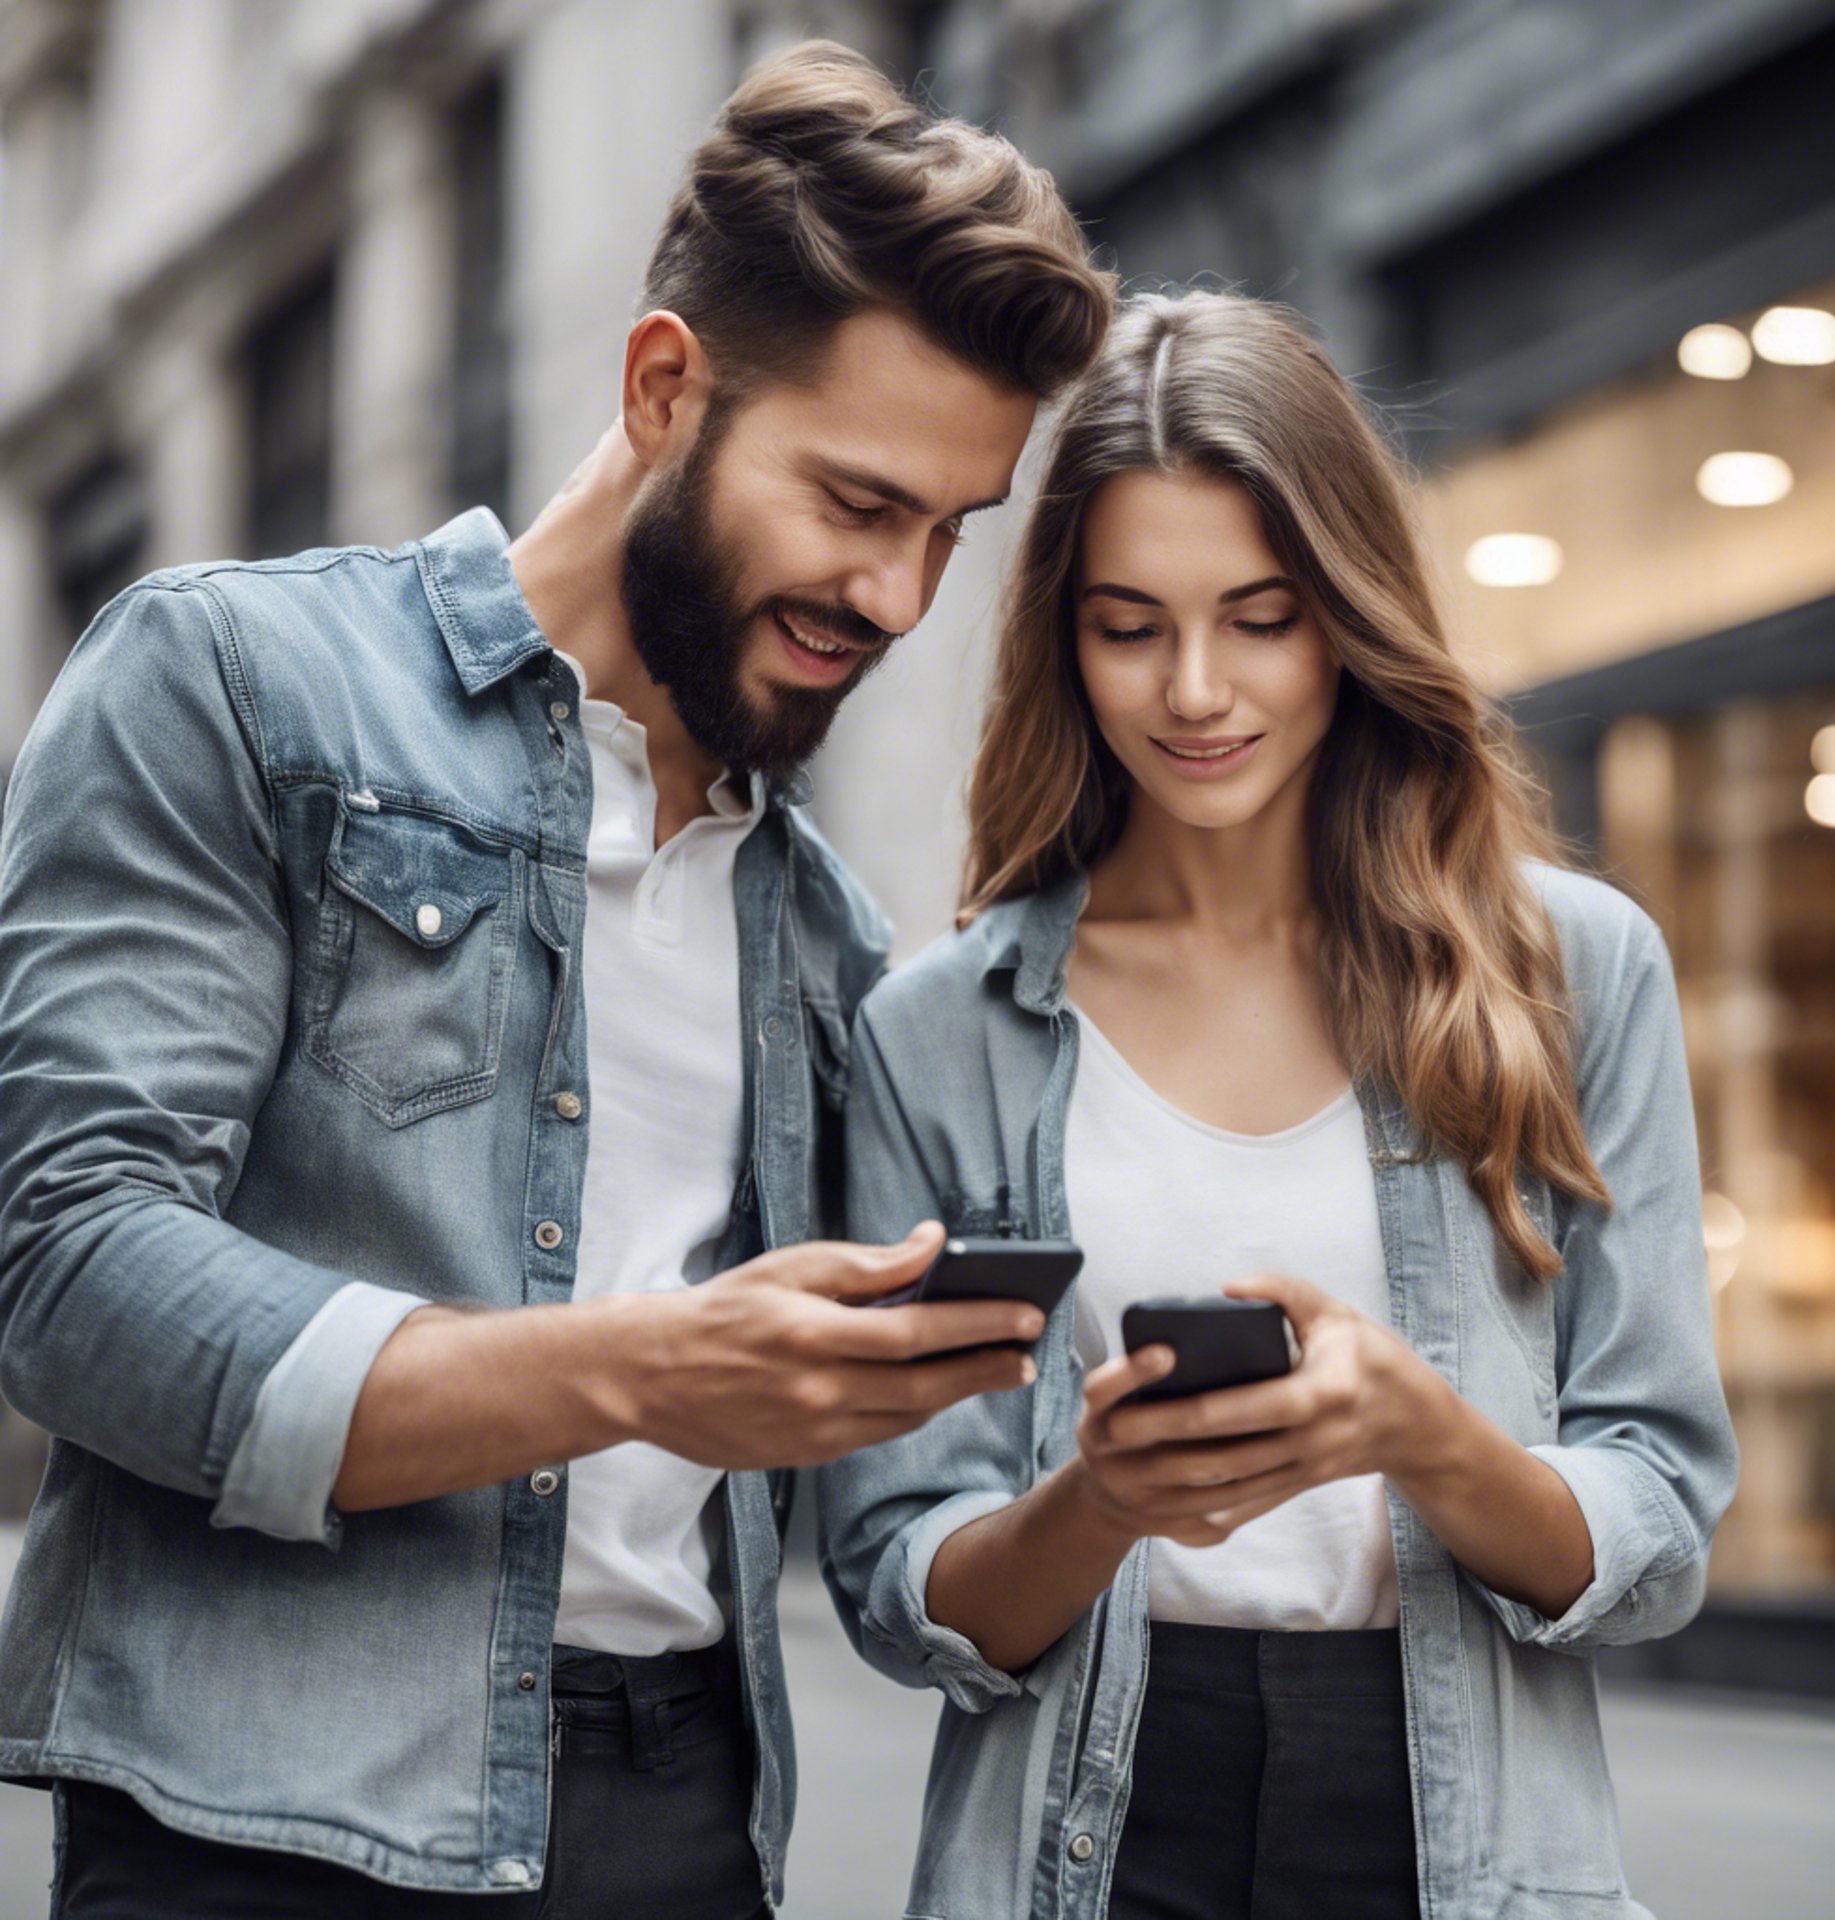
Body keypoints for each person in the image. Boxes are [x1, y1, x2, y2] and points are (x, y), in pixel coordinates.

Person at [0, 43, 1112, 1919]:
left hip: (682, 1820)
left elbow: (895, 1510)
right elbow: (71, 1273)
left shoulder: (822, 930)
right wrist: (652, 1367)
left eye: (949, 531)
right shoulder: (238, 684)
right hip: (266, 1827)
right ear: (665, 387)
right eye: (855, 502)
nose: (902, 599)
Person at [817, 291, 1740, 1920]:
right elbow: (900, 1584)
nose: (1193, 689)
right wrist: (1100, 1500)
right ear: (1063, 637)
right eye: (1129, 623)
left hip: (1458, 1827)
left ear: (1349, 612)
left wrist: (1422, 1437)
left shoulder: (1569, 971)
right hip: (1080, 1830)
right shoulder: (937, 1033)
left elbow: (1658, 1518)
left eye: (1260, 616)